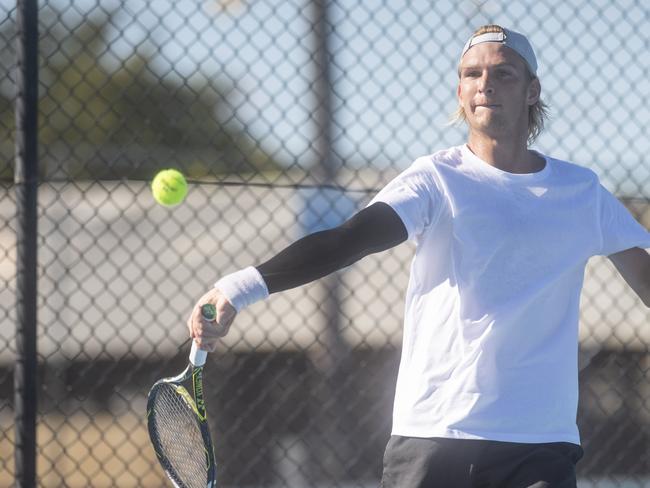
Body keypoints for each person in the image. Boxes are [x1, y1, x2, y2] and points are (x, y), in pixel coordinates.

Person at [187, 25, 650, 488]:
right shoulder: (435, 179)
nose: (484, 83)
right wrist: (239, 287)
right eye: (472, 73)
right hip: (436, 436)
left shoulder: (581, 192)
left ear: (532, 91)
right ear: (461, 90)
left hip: (541, 446)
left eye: (502, 74)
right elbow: (352, 238)